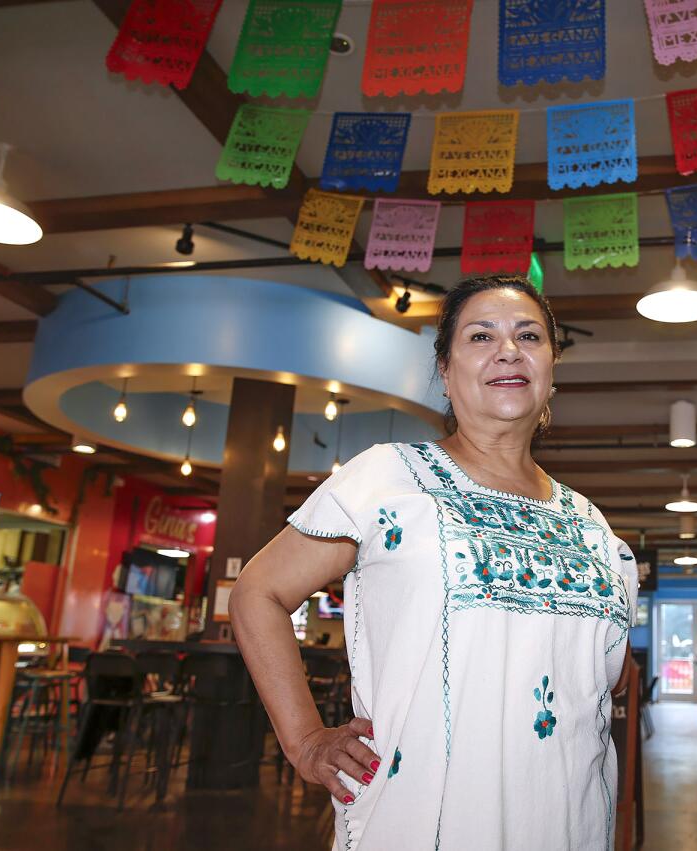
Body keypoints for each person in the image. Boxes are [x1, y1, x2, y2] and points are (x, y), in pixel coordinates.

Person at [230, 276, 637, 850]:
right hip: (419, 818)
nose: (508, 350)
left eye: (529, 335)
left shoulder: (590, 525)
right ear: (445, 371)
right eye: (481, 336)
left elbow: (605, 677)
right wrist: (304, 741)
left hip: (564, 819)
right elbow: (257, 593)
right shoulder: (387, 479)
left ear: (551, 366)